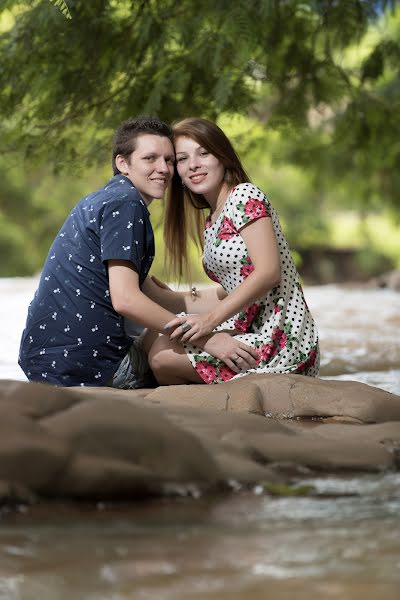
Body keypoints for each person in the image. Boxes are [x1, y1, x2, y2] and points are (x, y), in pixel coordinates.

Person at [19, 116, 258, 387]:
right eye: (150, 159)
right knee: (175, 348)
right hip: (89, 367)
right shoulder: (127, 204)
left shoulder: (104, 199)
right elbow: (126, 300)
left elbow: (154, 297)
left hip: (45, 361)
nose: (164, 169)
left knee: (170, 327)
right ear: (123, 163)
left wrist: (230, 296)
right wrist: (211, 340)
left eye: (169, 160)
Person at [144, 117, 319, 385]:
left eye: (204, 153)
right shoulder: (213, 218)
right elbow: (231, 288)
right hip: (248, 327)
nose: (193, 165)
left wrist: (209, 322)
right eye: (182, 159)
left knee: (162, 356)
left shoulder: (245, 196)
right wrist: (170, 298)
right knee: (156, 336)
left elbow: (268, 272)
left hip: (281, 339)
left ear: (222, 156)